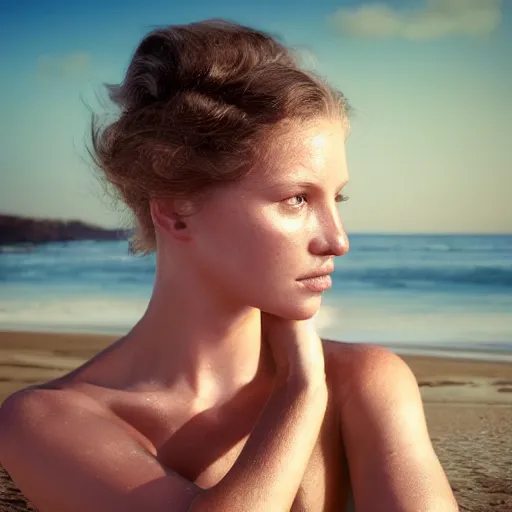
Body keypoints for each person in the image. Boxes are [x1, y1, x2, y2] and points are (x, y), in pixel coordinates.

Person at [0, 19, 458, 511]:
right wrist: (300, 392)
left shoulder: (366, 382)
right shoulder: (48, 421)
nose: (338, 240)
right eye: (297, 199)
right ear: (175, 207)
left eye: (337, 198)